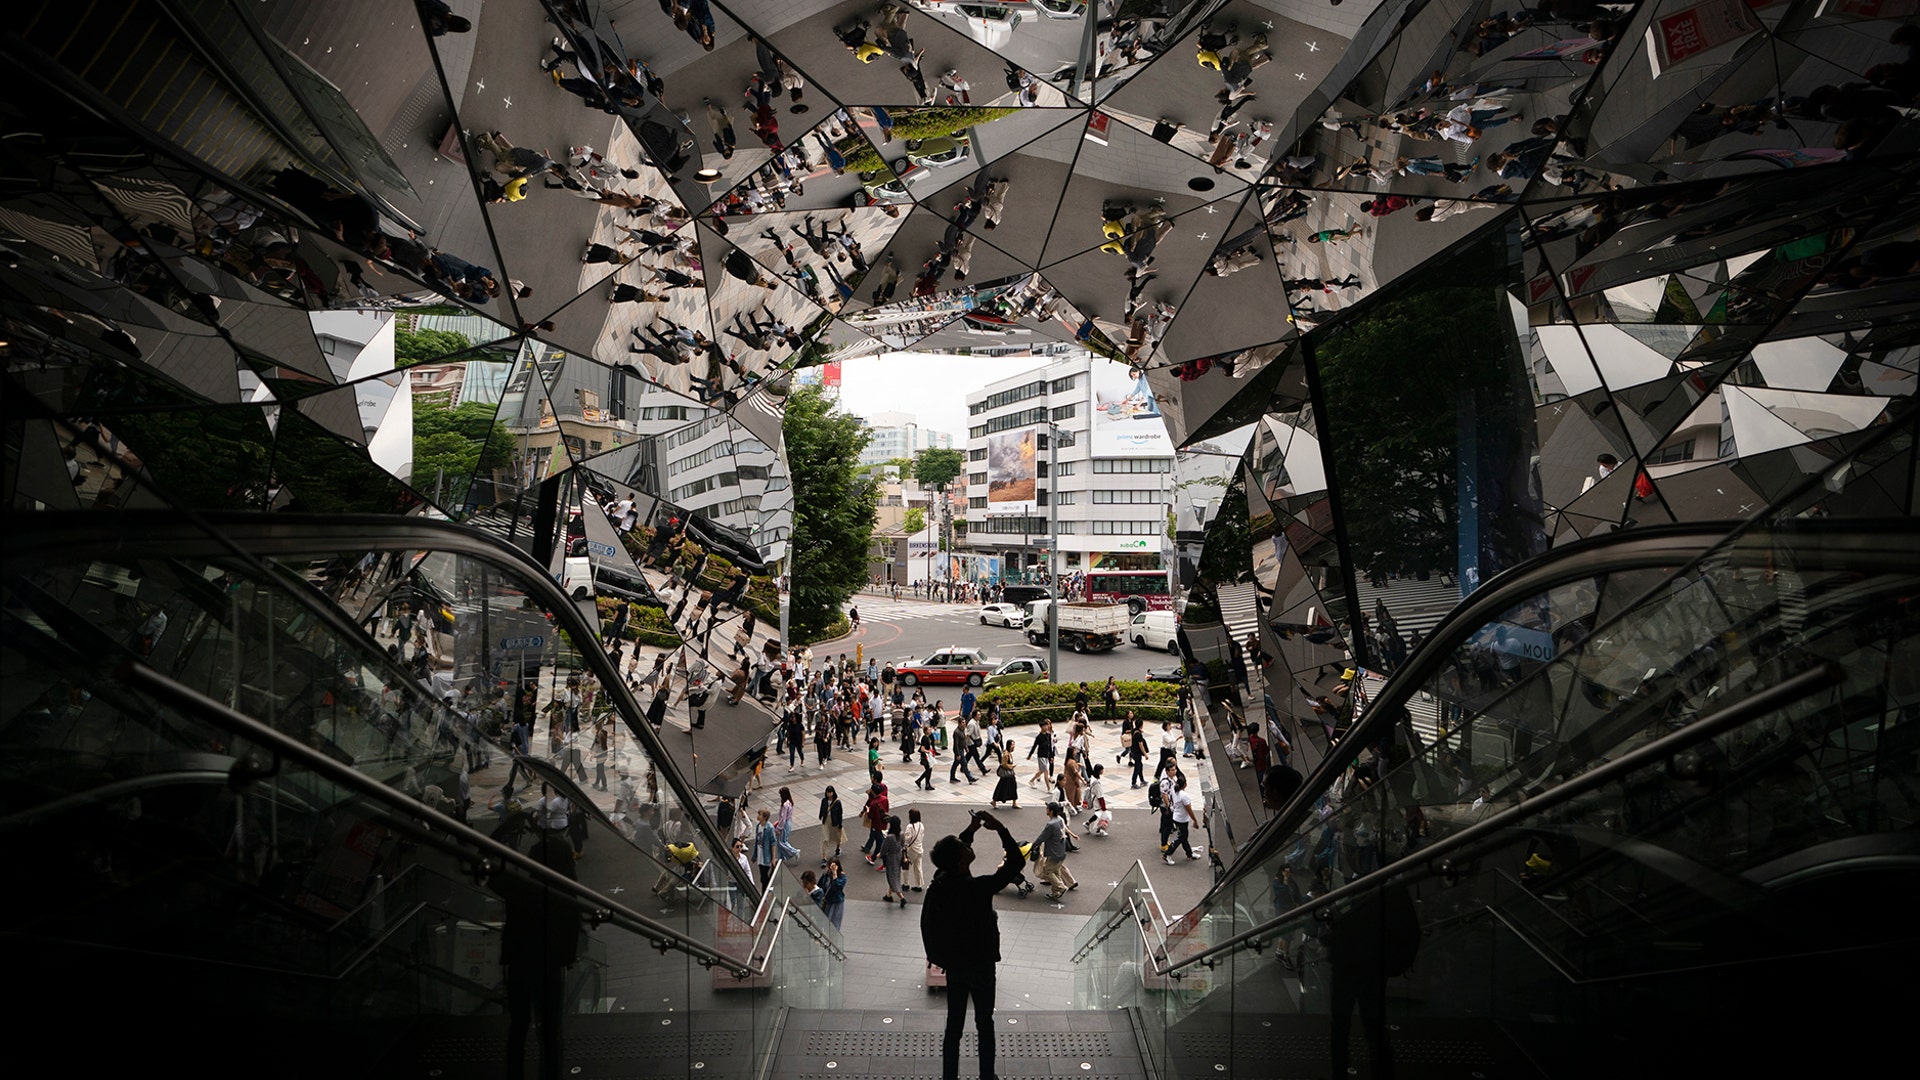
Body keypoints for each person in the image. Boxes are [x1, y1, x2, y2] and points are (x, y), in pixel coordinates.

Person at [921, 810, 1026, 1080]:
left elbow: (951, 856)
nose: (966, 846)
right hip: (981, 964)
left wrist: (971, 830)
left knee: (953, 1026)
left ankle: (950, 1076)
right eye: (963, 847)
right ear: (959, 862)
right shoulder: (977, 889)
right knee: (984, 1024)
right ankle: (987, 1076)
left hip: (955, 964)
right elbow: (1015, 863)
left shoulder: (941, 882)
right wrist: (1000, 828)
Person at [1031, 802, 1071, 901]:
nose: (1046, 810)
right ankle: (1055, 893)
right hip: (1061, 851)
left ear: (1051, 811)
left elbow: (1042, 837)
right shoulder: (1060, 821)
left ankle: (1061, 887)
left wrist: (1033, 845)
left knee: (1047, 870)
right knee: (1056, 871)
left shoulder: (1051, 824)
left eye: (1047, 809)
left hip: (1053, 853)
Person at [1166, 774, 1204, 864]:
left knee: (1184, 836)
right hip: (1182, 819)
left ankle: (1189, 853)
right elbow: (1189, 809)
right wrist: (1195, 820)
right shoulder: (1184, 796)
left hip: (1176, 817)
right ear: (1185, 785)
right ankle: (1168, 853)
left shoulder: (1174, 791)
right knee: (1181, 837)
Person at [881, 815, 907, 907]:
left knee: (892, 877)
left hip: (891, 858)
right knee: (896, 874)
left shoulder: (889, 837)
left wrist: (881, 855)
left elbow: (883, 849)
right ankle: (888, 895)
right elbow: (904, 845)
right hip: (898, 856)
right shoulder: (902, 834)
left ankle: (901, 897)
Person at [990, 738, 1019, 808]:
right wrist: (1011, 766)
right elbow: (1003, 764)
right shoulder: (1006, 754)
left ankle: (1014, 802)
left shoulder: (1009, 753)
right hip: (1006, 775)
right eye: (1012, 744)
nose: (1013, 746)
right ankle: (994, 801)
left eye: (1014, 744)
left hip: (1010, 775)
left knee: (1013, 787)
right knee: (1001, 788)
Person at [820, 857, 848, 930]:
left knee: (834, 923)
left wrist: (834, 874)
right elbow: (820, 885)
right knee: (825, 921)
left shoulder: (842, 877)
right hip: (827, 901)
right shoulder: (826, 875)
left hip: (836, 902)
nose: (830, 870)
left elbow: (837, 887)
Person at [819, 785, 844, 864]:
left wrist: (840, 824)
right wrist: (820, 816)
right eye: (827, 792)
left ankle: (837, 848)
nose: (829, 794)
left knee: (837, 837)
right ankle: (824, 857)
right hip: (826, 821)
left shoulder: (837, 802)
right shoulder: (824, 801)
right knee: (825, 838)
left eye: (830, 792)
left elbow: (840, 814)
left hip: (835, 821)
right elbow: (821, 809)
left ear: (833, 792)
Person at [904, 807, 927, 892]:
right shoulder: (921, 825)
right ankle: (918, 885)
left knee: (906, 866)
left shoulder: (910, 826)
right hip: (919, 849)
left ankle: (906, 884)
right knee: (918, 867)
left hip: (911, 850)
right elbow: (922, 836)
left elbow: (907, 838)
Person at [752, 808, 777, 886]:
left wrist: (773, 858)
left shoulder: (769, 828)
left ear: (765, 817)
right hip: (760, 856)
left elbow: (773, 842)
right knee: (763, 876)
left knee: (763, 878)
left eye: (760, 814)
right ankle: (767, 890)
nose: (758, 816)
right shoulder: (758, 826)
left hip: (766, 857)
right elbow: (757, 841)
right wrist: (755, 855)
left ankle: (764, 893)